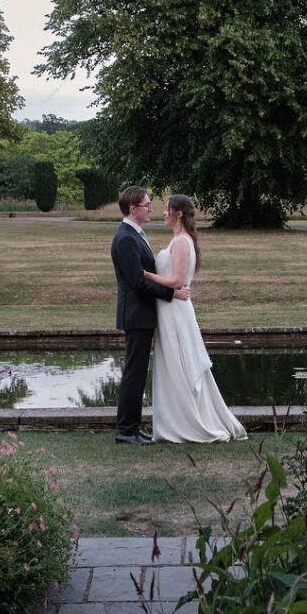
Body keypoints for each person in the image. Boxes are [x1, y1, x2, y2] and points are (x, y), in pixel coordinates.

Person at [140, 194, 247, 443]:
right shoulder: (179, 240)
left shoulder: (180, 242)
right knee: (173, 363)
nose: (163, 212)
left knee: (179, 363)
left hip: (174, 312)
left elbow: (177, 281)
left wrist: (147, 275)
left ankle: (186, 423)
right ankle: (175, 420)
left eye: (167, 209)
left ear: (178, 213)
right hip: (171, 309)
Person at [110, 186, 187, 445]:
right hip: (135, 314)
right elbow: (137, 282)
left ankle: (132, 426)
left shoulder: (134, 235)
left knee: (138, 372)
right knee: (134, 372)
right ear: (133, 209)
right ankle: (126, 430)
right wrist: (172, 294)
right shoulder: (126, 238)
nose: (151, 208)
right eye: (146, 204)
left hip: (141, 313)